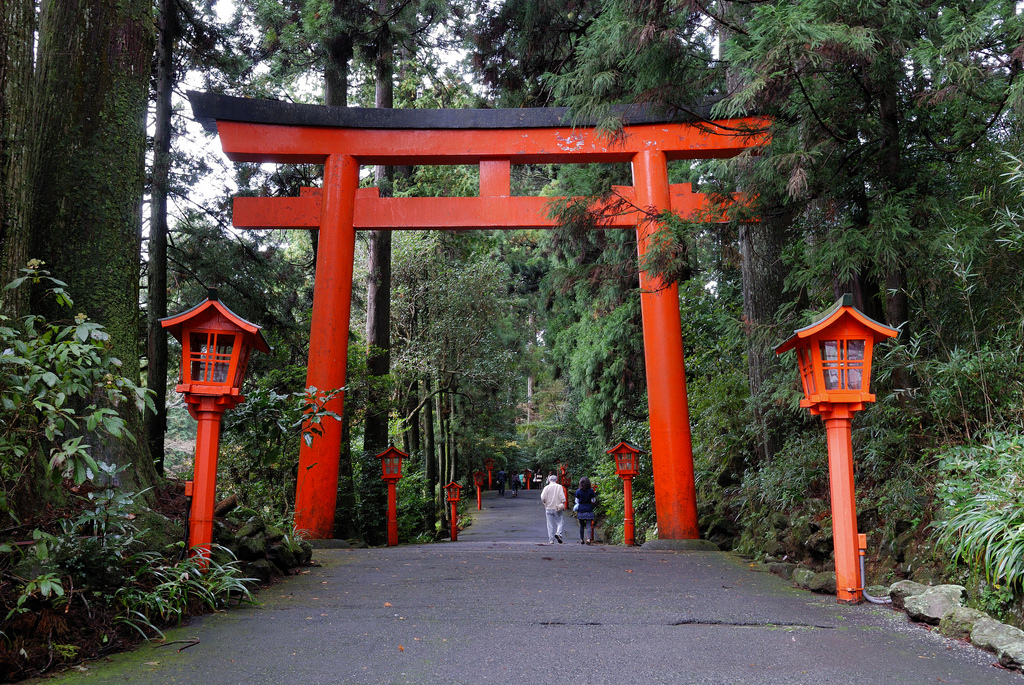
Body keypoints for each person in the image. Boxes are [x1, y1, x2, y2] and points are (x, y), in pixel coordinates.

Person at [540, 475, 566, 544]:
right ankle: (558, 533)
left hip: (548, 507)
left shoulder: (546, 487)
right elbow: (562, 497)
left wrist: (544, 502)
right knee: (560, 522)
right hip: (557, 507)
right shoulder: (559, 487)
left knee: (550, 524)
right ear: (556, 480)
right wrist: (563, 502)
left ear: (549, 480)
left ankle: (551, 539)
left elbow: (542, 497)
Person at [575, 477, 598, 544]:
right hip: (588, 509)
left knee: (581, 525)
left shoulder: (578, 491)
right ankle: (588, 539)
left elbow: (576, 501)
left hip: (581, 509)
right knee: (588, 525)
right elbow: (593, 500)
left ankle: (582, 539)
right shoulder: (591, 491)